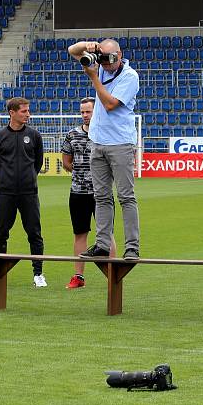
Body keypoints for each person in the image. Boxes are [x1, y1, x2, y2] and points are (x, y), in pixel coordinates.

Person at [68, 39, 141, 259]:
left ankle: (132, 247)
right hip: (98, 142)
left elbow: (109, 104)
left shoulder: (130, 76)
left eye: (111, 58)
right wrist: (88, 45)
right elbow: (72, 51)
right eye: (103, 58)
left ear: (120, 55)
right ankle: (102, 245)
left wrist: (93, 77)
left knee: (126, 196)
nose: (106, 63)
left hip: (120, 143)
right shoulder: (99, 64)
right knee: (101, 197)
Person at [0, 97, 46, 287]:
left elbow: (37, 163)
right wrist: (7, 179)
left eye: (28, 111)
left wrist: (28, 178)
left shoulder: (35, 136)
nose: (28, 114)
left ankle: (38, 273)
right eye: (24, 111)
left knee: (34, 233)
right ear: (12, 113)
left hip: (29, 193)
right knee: (1, 232)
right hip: (5, 193)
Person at [61, 97, 116, 289]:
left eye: (88, 111)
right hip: (78, 192)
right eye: (82, 112)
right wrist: (79, 171)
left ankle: (113, 276)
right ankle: (78, 276)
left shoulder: (106, 133)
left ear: (96, 111)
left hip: (102, 194)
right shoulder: (72, 135)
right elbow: (66, 161)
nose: (85, 115)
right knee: (80, 234)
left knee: (107, 234)